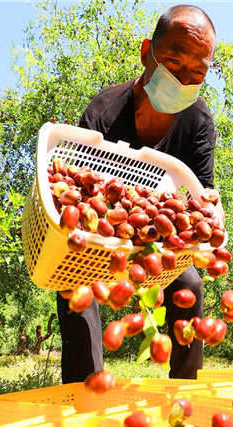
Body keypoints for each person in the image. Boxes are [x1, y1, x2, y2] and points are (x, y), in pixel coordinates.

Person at [57, 4, 218, 383]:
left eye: (197, 72)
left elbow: (200, 194)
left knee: (191, 285)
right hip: (101, 235)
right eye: (175, 62)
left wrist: (206, 211)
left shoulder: (197, 121)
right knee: (72, 282)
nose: (183, 80)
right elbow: (81, 194)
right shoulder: (105, 110)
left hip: (161, 242)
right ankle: (85, 387)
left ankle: (184, 390)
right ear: (147, 52)